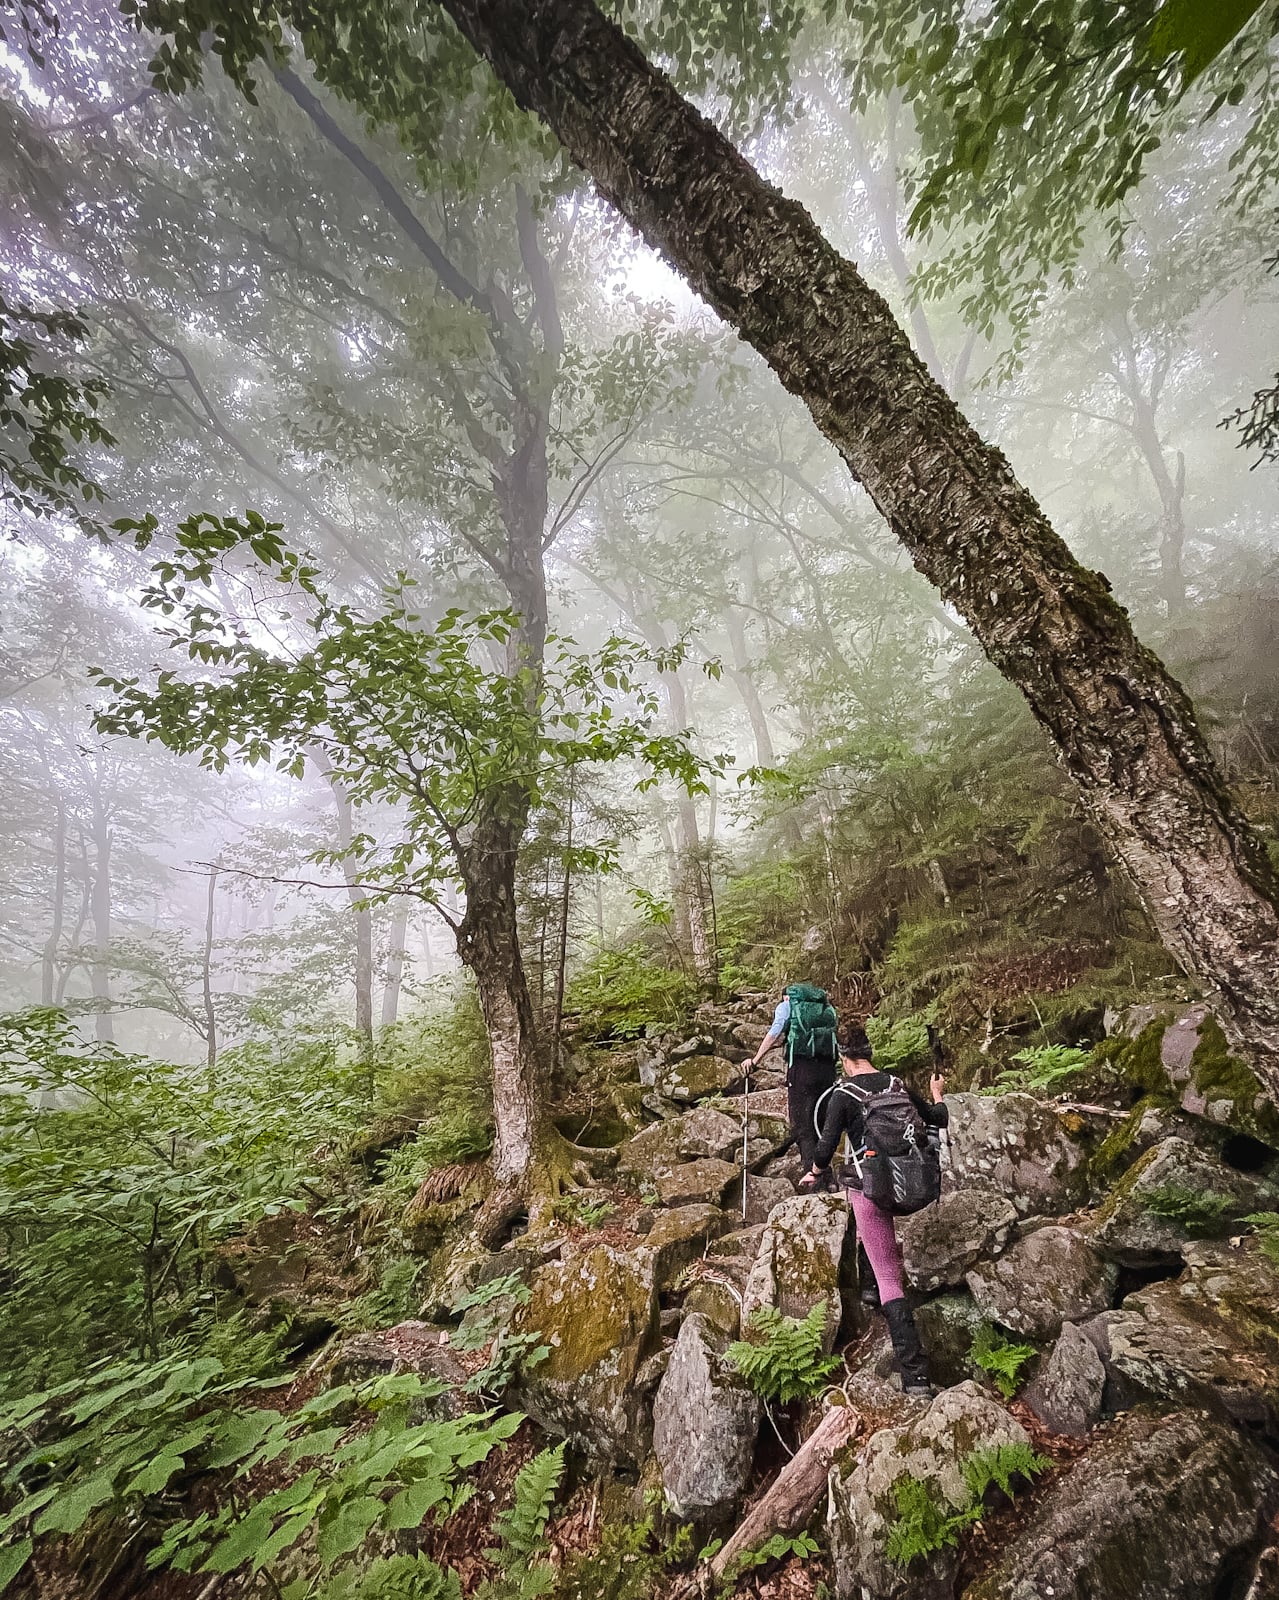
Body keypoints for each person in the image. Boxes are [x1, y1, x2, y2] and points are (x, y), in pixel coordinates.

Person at [799, 1024, 948, 1398]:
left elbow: (824, 1148)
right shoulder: (896, 1084)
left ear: (842, 1057)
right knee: (875, 1243)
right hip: (911, 1183)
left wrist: (813, 1174)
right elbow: (938, 1118)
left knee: (889, 1276)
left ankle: (915, 1376)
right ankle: (867, 1291)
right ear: (869, 1052)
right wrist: (936, 1093)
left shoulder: (843, 1094)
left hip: (875, 1189)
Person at [748, 982, 839, 1183]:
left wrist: (755, 1060)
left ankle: (817, 1181)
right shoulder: (825, 1009)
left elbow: (775, 1032)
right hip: (828, 1070)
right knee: (822, 1123)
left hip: (802, 1070)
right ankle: (829, 1176)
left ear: (786, 997)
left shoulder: (787, 1006)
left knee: (802, 1126)